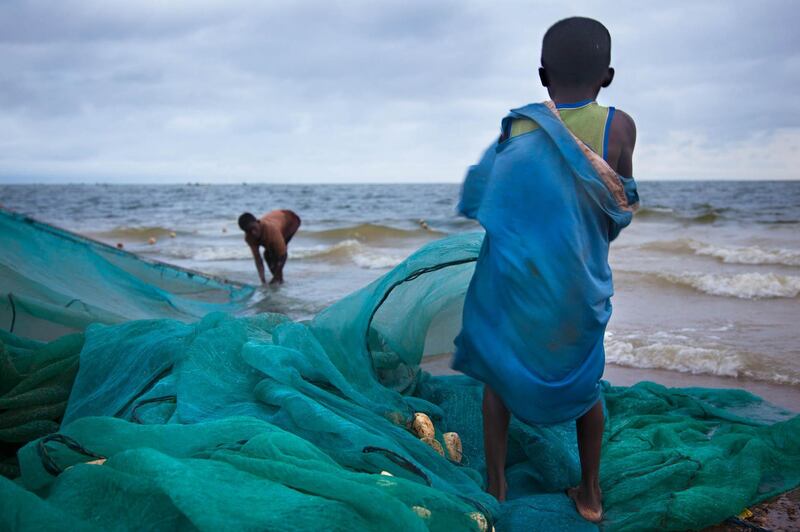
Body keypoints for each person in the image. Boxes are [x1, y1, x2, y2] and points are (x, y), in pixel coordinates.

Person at [452, 17, 639, 523]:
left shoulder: (518, 125)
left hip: (519, 278)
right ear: (608, 75)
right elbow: (617, 202)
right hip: (580, 282)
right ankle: (592, 493)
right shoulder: (618, 127)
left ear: (542, 74)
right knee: (585, 378)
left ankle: (496, 481)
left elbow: (499, 199)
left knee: (500, 374)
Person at [238, 210, 301, 285]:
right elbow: (258, 259)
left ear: (258, 222)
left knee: (275, 254)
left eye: (254, 228)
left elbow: (283, 256)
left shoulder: (271, 230)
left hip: (291, 220)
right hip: (276, 219)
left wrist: (276, 276)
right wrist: (263, 281)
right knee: (267, 254)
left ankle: (279, 280)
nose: (253, 233)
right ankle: (278, 279)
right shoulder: (249, 237)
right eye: (248, 231)